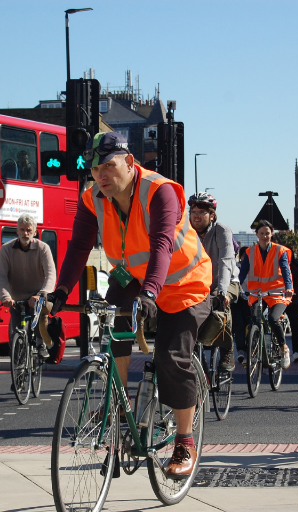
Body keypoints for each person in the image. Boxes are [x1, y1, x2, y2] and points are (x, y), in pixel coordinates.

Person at [47, 132, 212, 478]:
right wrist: (60, 292)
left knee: (170, 357)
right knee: (115, 320)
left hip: (184, 281)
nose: (102, 175)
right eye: (96, 169)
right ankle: (120, 408)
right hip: (136, 278)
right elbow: (79, 246)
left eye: (110, 166)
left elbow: (163, 245)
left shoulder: (159, 191)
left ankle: (185, 441)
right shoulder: (93, 198)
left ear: (130, 164)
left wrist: (151, 293)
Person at [188, 192, 240, 371]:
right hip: (198, 284)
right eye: (193, 211)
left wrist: (222, 291)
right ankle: (194, 355)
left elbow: (226, 261)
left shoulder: (221, 231)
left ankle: (227, 349)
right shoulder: (186, 231)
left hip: (226, 280)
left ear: (212, 215)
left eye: (202, 212)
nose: (196, 215)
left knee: (222, 304)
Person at [238, 220, 293, 369]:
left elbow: (286, 271)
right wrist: (237, 286)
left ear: (272, 234)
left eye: (267, 233)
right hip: (257, 293)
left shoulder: (279, 251)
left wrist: (288, 287)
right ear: (256, 235)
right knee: (254, 322)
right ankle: (255, 349)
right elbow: (242, 273)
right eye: (261, 233)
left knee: (273, 319)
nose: (264, 236)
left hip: (277, 293)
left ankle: (283, 348)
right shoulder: (250, 252)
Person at [0, 214, 56, 360]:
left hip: (36, 294)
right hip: (15, 297)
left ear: (35, 232)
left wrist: (42, 293)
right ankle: (18, 367)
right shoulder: (6, 249)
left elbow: (51, 274)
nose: (25, 233)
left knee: (40, 314)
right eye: (22, 230)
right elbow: (1, 276)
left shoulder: (43, 248)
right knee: (16, 332)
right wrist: (5, 297)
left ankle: (40, 343)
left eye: (29, 230)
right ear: (17, 231)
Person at [232, 246, 252, 363]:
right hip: (237, 299)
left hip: (250, 299)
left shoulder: (254, 268)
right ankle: (241, 350)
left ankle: (249, 348)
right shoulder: (236, 267)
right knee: (238, 325)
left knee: (249, 324)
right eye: (245, 256)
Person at [286, 249, 298, 362]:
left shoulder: (294, 266)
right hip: (278, 298)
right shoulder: (276, 265)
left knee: (295, 327)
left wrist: (290, 265)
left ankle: (295, 352)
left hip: (293, 300)